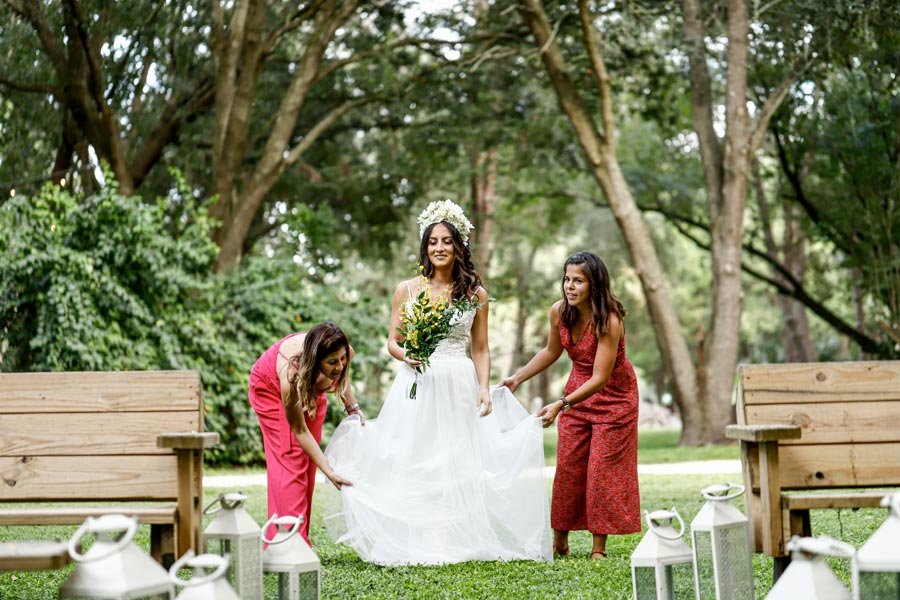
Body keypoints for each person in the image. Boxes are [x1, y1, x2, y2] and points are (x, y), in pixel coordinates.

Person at [325, 200, 551, 566]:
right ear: (424, 247)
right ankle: (416, 538)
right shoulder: (407, 289)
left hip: (457, 383)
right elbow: (392, 341)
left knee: (455, 462)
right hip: (416, 382)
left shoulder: (475, 294)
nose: (440, 248)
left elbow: (480, 348)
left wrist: (482, 386)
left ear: (459, 246)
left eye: (447, 241)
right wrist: (406, 355)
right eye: (433, 242)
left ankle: (450, 539)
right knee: (416, 458)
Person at [500, 251, 640, 559]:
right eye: (566, 279)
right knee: (568, 468)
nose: (570, 286)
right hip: (578, 392)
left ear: (595, 284)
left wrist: (560, 404)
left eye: (578, 281)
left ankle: (598, 549)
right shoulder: (559, 312)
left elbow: (601, 377)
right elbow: (551, 352)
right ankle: (559, 542)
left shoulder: (610, 321)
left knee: (601, 470)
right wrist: (517, 378)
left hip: (614, 398)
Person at [248, 322, 361, 544]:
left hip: (311, 391)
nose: (339, 365)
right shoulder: (290, 377)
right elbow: (299, 430)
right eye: (332, 362)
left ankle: (283, 540)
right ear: (315, 361)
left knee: (308, 465)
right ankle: (294, 548)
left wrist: (352, 407)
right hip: (270, 389)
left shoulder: (343, 353)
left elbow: (342, 376)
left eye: (342, 358)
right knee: (292, 459)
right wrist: (328, 470)